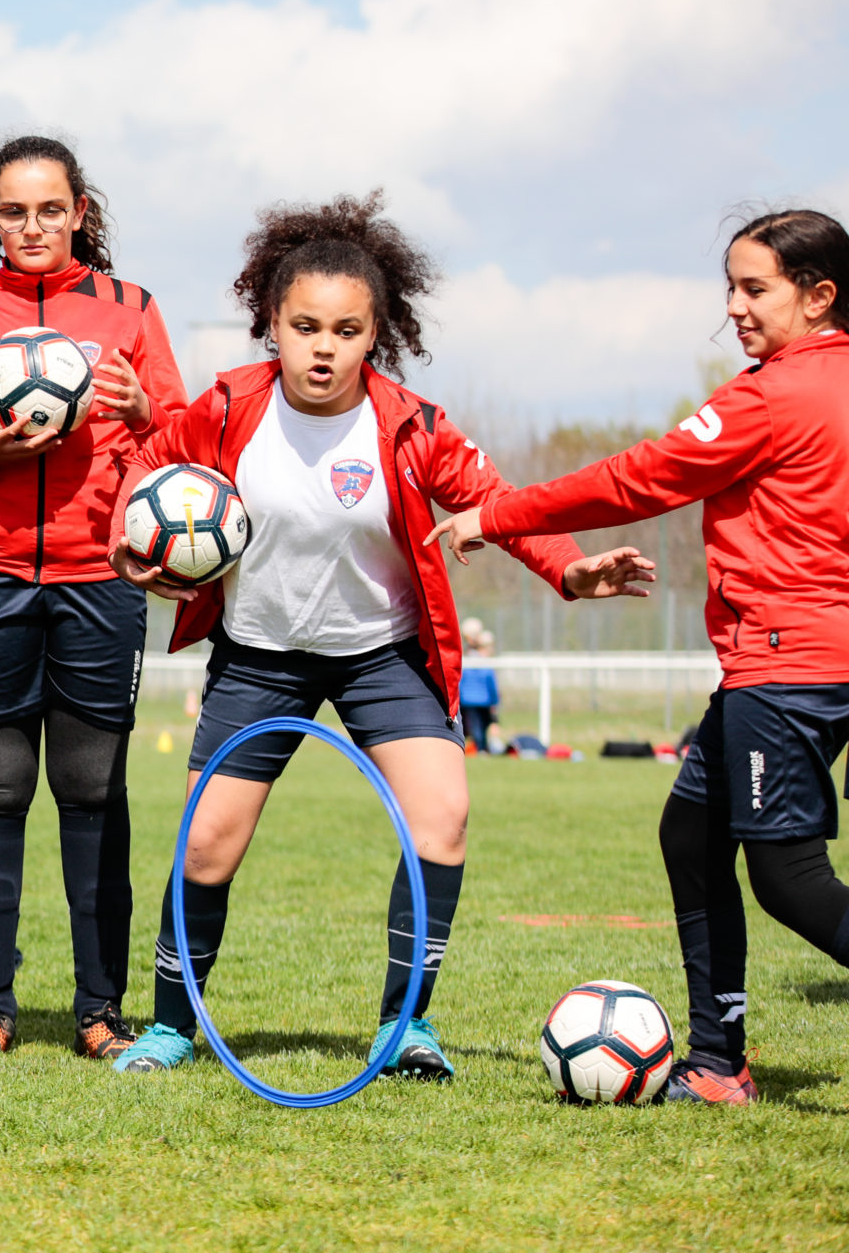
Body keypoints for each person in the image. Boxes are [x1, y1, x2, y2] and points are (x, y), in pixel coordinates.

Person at [108, 193, 653, 1078]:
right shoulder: (225, 407)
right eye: (306, 325)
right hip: (259, 655)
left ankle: (406, 1026)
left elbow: (498, 500)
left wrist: (570, 568)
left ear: (376, 334)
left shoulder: (409, 423)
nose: (324, 346)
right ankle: (173, 1023)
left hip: (383, 655)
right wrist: (128, 546)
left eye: (348, 329)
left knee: (443, 818)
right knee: (207, 842)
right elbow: (145, 466)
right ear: (272, 324)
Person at [431, 207, 849, 1104]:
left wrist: (497, 515)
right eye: (728, 287)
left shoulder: (774, 395)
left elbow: (638, 476)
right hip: (780, 665)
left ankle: (717, 1058)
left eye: (754, 288)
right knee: (690, 834)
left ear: (820, 298)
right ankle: (715, 1060)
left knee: (790, 878)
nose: (733, 307)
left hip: (790, 663)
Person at [0, 134, 189, 1063]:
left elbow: (179, 451)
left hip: (99, 579)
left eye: (51, 209)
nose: (33, 226)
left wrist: (147, 416)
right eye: (14, 210)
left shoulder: (130, 311)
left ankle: (101, 1010)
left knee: (92, 786)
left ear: (80, 213)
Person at [456, 619, 502, 753]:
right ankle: (480, 748)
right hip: (483, 700)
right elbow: (491, 682)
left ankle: (480, 748)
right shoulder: (484, 663)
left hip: (468, 700)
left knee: (475, 726)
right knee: (481, 726)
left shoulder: (466, 660)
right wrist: (495, 700)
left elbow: (460, 681)